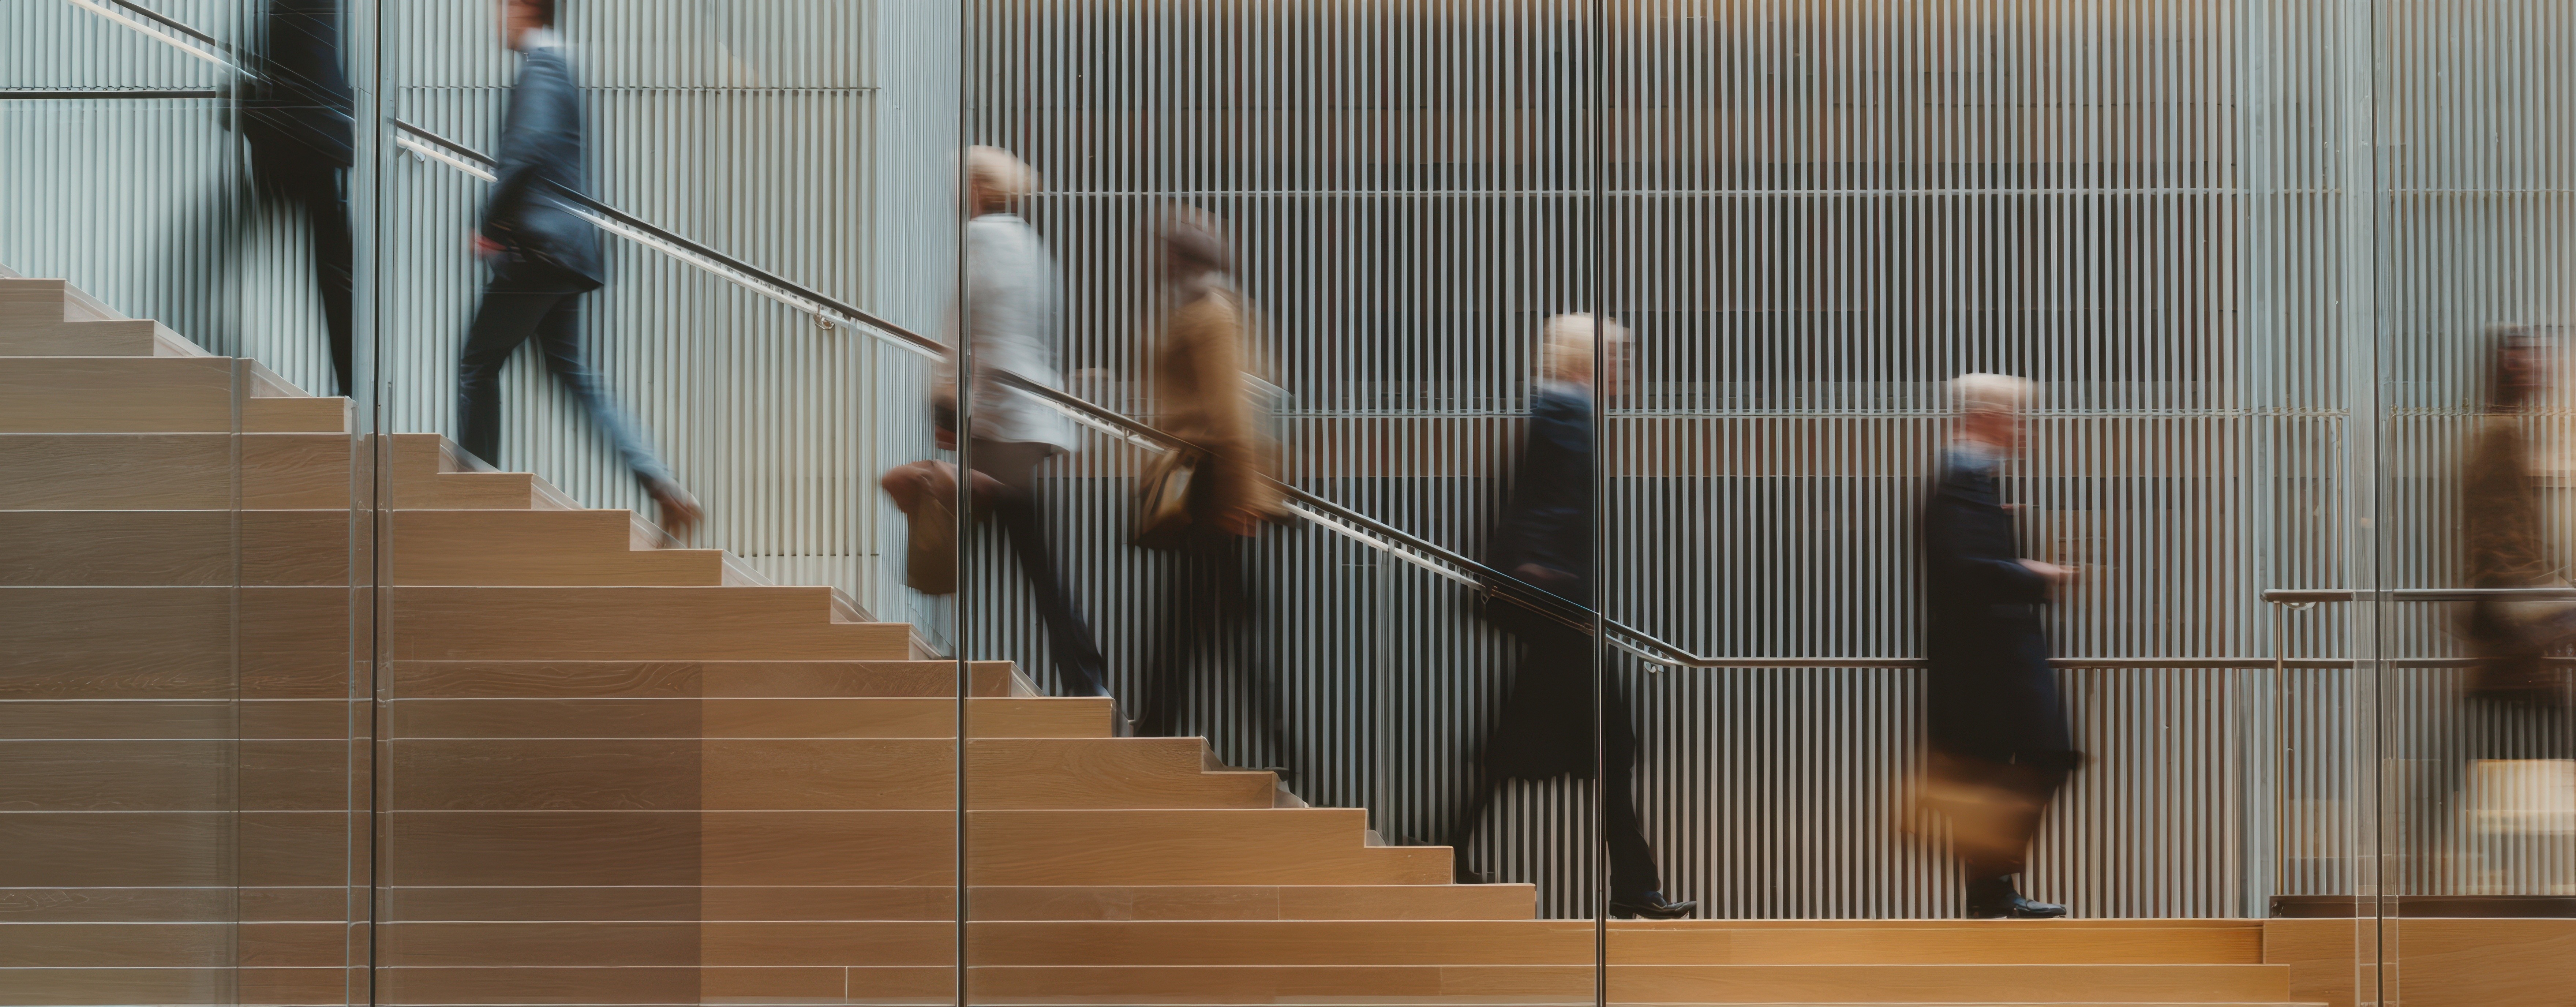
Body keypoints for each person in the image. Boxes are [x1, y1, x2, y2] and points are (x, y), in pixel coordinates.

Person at [1446, 314, 1695, 921]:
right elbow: (1549, 506)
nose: (1623, 368)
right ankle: (1633, 887)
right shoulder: (1564, 410)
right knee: (1607, 747)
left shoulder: (1562, 409)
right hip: (1561, 609)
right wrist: (1546, 576)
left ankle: (1447, 846)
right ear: (1588, 359)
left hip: (1560, 609)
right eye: (1616, 356)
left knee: (1536, 749)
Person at [456, 0, 699, 540]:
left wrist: (492, 226)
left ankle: (475, 499)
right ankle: (660, 483)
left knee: (477, 363)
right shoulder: (561, 66)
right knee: (573, 375)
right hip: (565, 253)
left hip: (538, 251)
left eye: (503, 9)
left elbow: (527, 150)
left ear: (525, 9)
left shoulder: (542, 68)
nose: (497, 20)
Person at [943, 146, 1110, 699]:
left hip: (998, 420)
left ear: (979, 188)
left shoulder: (980, 238)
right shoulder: (1028, 243)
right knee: (1028, 554)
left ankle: (949, 664)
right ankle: (1083, 677)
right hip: (1026, 418)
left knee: (961, 541)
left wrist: (948, 405)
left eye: (963, 183)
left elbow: (966, 329)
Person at [1920, 373, 2079, 919]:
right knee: (2046, 755)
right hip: (1990, 661)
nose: (2025, 430)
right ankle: (1991, 883)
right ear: (1988, 417)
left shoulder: (1973, 479)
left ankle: (1991, 892)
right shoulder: (1960, 478)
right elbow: (1964, 568)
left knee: (1996, 770)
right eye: (2018, 419)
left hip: (1993, 659)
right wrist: (2038, 573)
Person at [1130, 208, 1288, 746]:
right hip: (1204, 482)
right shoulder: (1195, 307)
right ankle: (1160, 720)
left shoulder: (1211, 313)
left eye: (1168, 250)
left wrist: (1242, 498)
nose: (1159, 258)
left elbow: (1230, 411)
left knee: (1224, 623)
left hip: (1212, 485)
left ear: (1183, 257)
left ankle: (1277, 742)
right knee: (1197, 616)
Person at [2447, 327, 2575, 853]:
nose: (2532, 369)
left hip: (2508, 653)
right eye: (2518, 359)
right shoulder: (2498, 436)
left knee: (2478, 768)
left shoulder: (2503, 434)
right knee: (2496, 764)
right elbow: (2499, 544)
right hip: (2512, 652)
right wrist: (2558, 607)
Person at [241, 0, 356, 397]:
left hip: (304, 141)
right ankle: (353, 391)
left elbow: (305, 55)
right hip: (313, 139)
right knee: (337, 275)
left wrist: (250, 109)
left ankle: (353, 392)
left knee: (337, 276)